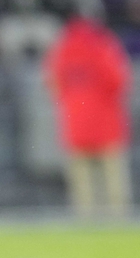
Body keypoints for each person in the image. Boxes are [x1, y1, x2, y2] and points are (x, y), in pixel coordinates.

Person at [44, 13, 132, 219]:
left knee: (81, 177)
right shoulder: (104, 47)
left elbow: (53, 85)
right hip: (106, 120)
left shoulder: (61, 51)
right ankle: (118, 218)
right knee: (112, 174)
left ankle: (85, 217)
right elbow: (119, 81)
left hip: (75, 121)